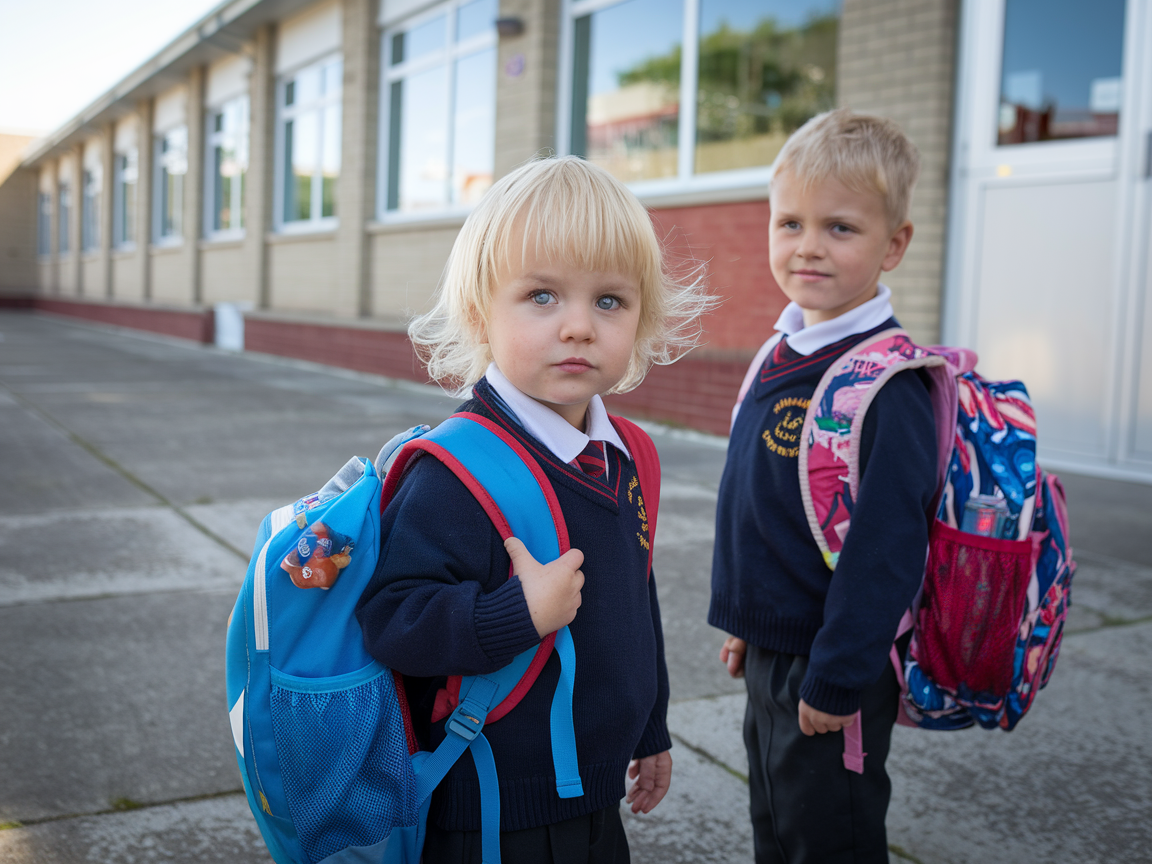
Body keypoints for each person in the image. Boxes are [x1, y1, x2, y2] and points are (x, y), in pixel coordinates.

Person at [357, 155, 713, 864]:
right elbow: (392, 620)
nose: (579, 326)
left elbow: (633, 603)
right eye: (543, 296)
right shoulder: (456, 472)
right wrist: (514, 614)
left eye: (609, 301)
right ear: (479, 310)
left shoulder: (626, 453)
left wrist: (650, 727)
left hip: (595, 794)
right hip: (492, 815)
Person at [709, 109, 937, 863]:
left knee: (829, 834)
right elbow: (765, 504)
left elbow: (887, 550)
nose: (808, 247)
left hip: (834, 665)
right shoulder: (783, 351)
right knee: (776, 820)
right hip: (777, 648)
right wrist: (749, 617)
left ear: (893, 245)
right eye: (790, 223)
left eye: (840, 228)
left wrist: (839, 678)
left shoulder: (886, 383)